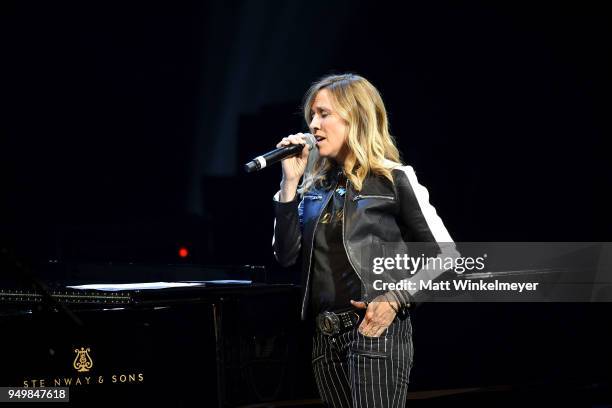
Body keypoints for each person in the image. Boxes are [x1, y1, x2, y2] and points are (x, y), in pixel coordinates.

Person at [272, 73, 457, 407]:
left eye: (324, 114)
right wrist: (289, 184)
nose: (313, 124)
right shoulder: (313, 188)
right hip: (324, 338)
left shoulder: (393, 178)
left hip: (373, 330)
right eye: (312, 115)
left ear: (355, 118)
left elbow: (447, 257)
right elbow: (286, 256)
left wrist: (396, 298)